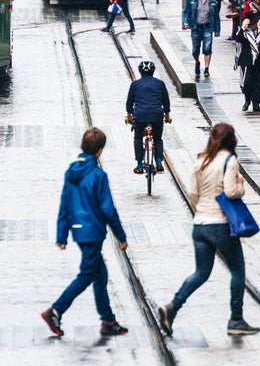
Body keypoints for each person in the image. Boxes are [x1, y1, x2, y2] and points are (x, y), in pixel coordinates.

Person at [155, 121, 258, 336]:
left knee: (201, 273)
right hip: (219, 225)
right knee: (238, 270)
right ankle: (236, 320)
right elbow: (230, 193)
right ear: (231, 140)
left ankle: (172, 307)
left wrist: (203, 209)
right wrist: (240, 185)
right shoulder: (229, 161)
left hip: (199, 224)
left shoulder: (200, 160)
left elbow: (193, 194)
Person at [42, 127, 129, 338]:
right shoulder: (98, 175)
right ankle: (55, 310)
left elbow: (65, 204)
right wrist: (121, 236)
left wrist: (62, 235)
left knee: (100, 275)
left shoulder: (71, 171)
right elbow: (108, 208)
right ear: (99, 151)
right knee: (86, 275)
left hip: (79, 232)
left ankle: (108, 320)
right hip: (93, 232)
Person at [125, 61, 171, 174]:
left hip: (140, 115)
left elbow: (129, 103)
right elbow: (166, 101)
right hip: (157, 115)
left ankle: (139, 165)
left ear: (140, 72)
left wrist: (129, 116)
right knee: (158, 138)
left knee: (138, 138)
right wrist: (167, 115)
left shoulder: (135, 84)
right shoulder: (160, 84)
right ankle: (159, 161)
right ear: (153, 71)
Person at [183, 0, 220, 78]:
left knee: (207, 49)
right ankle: (197, 62)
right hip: (196, 28)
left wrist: (217, 30)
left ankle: (207, 68)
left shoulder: (212, 1)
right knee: (195, 50)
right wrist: (186, 22)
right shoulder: (193, 0)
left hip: (207, 27)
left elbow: (216, 16)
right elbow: (186, 12)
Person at [232, 15, 260, 113]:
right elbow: (238, 39)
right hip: (247, 61)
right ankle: (247, 100)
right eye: (252, 24)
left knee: (258, 84)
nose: (254, 26)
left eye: (255, 24)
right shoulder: (244, 33)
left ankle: (256, 104)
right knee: (247, 83)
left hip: (259, 62)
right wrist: (243, 27)